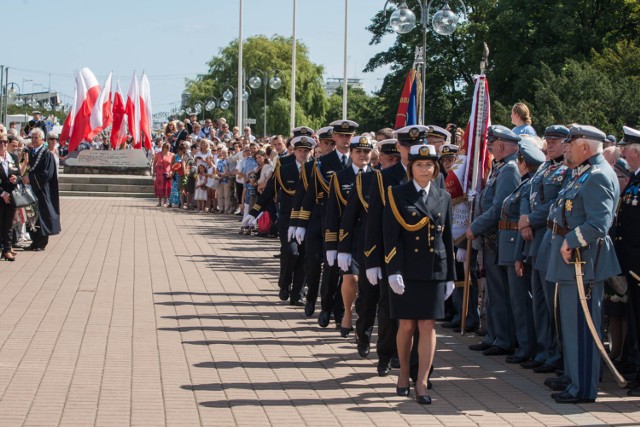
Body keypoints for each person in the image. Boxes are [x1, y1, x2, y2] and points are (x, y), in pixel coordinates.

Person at [546, 124, 620, 404]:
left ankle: (584, 389)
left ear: (585, 147)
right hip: (573, 262)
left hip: (584, 263)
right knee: (573, 326)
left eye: (571, 143)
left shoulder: (599, 175)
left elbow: (599, 224)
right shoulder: (584, 174)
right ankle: (576, 382)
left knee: (583, 327)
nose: (567, 148)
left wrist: (571, 241)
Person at [383, 144, 454, 404]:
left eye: (429, 165)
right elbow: (391, 237)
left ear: (436, 169)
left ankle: (422, 381)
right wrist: (393, 271)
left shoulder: (442, 196)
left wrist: (450, 276)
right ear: (411, 168)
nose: (424, 169)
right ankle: (403, 373)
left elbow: (445, 239)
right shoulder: (396, 194)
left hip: (434, 269)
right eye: (419, 165)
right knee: (407, 325)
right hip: (407, 269)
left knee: (428, 325)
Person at [364, 125, 430, 378]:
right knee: (391, 309)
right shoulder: (384, 177)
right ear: (399, 147)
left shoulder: (432, 175)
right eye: (407, 146)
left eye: (417, 145)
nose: (412, 151)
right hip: (392, 254)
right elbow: (374, 221)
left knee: (420, 316)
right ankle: (386, 354)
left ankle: (415, 368)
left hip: (423, 255)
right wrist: (372, 259)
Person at [338, 138, 399, 360]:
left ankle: (390, 349)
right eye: (389, 158)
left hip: (394, 251)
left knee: (391, 304)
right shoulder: (366, 180)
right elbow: (349, 216)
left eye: (397, 159)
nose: (393, 163)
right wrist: (343, 248)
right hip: (369, 248)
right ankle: (363, 336)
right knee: (367, 300)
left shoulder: (403, 180)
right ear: (380, 158)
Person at [517, 125, 570, 373]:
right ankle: (544, 349)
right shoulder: (543, 168)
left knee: (552, 303)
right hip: (536, 243)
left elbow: (555, 203)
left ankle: (557, 353)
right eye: (547, 140)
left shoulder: (565, 170)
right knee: (539, 301)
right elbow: (529, 196)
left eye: (555, 141)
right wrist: (526, 216)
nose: (549, 145)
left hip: (549, 238)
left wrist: (530, 219)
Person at [295, 120, 357, 328]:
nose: (345, 140)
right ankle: (313, 297)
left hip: (349, 224)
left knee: (340, 271)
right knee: (315, 265)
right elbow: (309, 194)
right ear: (335, 138)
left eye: (349, 136)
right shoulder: (322, 163)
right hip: (321, 220)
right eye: (341, 136)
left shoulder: (359, 163)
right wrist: (300, 223)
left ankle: (335, 310)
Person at [466, 125, 522, 356]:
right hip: (489, 239)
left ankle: (503, 339)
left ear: (501, 145)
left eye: (492, 142)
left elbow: (500, 206)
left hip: (497, 238)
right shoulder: (499, 167)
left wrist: (476, 226)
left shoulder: (509, 169)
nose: (488, 146)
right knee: (491, 292)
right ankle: (494, 335)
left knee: (499, 292)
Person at [246, 135, 313, 304]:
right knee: (291, 252)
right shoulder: (284, 169)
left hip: (308, 220)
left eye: (306, 151)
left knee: (304, 256)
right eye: (300, 151)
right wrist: (254, 213)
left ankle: (297, 294)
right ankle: (284, 282)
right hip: (287, 218)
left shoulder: (315, 170)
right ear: (294, 151)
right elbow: (269, 191)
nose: (303, 154)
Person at [499, 137, 546, 365]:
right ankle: (525, 345)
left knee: (523, 303)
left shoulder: (528, 185)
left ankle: (528, 346)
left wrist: (518, 254)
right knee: (520, 302)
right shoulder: (525, 184)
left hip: (523, 246)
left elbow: (522, 223)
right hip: (517, 246)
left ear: (524, 163)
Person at [325, 135, 374, 337]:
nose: (362, 155)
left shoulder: (378, 177)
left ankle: (363, 320)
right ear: (351, 153)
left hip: (371, 237)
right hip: (348, 237)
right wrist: (331, 244)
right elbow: (333, 212)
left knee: (367, 285)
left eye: (366, 151)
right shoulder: (340, 177)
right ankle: (347, 312)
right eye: (358, 151)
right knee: (351, 279)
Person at [614, 126, 640, 396]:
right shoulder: (634, 180)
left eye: (626, 149)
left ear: (635, 152)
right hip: (631, 264)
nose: (623, 153)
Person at [22, 129, 60, 251]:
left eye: (36, 138)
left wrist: (31, 178)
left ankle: (41, 242)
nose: (33, 140)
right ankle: (34, 240)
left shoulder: (46, 154)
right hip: (32, 189)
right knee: (32, 215)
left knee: (43, 215)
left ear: (42, 139)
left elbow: (46, 173)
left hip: (43, 189)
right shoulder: (31, 152)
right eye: (32, 137)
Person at [0, 132, 21, 261]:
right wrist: (2, 192)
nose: (3, 145)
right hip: (1, 195)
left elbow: (19, 174)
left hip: (11, 195)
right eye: (0, 142)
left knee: (8, 224)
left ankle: (7, 249)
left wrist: (16, 178)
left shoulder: (12, 157)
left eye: (5, 142)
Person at [153, 142, 174, 207]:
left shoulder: (172, 155)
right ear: (163, 147)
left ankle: (165, 202)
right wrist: (154, 171)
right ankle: (159, 202)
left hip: (167, 173)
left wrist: (171, 172)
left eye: (169, 147)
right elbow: (154, 163)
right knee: (159, 187)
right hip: (159, 173)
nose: (168, 149)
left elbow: (173, 165)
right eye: (166, 147)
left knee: (166, 187)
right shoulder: (158, 154)